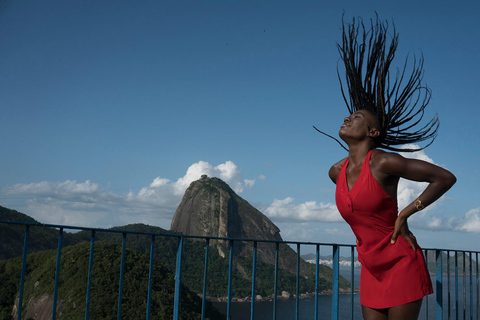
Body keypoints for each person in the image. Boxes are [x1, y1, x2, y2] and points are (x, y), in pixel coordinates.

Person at [325, 16, 457, 320]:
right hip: (370, 267)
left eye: (357, 117)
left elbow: (444, 178)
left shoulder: (383, 161)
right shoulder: (335, 172)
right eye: (347, 116)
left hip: (400, 261)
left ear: (373, 133)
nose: (347, 118)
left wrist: (405, 213)